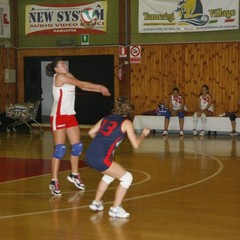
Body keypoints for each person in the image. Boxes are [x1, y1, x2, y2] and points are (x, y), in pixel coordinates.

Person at [46, 57, 111, 196]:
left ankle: (74, 175)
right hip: (59, 115)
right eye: (62, 64)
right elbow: (81, 84)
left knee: (77, 147)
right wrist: (99, 87)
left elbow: (83, 85)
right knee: (60, 149)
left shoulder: (68, 75)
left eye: (65, 63)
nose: (64, 65)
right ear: (56, 69)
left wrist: (99, 90)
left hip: (70, 115)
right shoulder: (59, 77)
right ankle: (54, 180)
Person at [86, 96, 150, 218]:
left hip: (89, 155)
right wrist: (143, 135)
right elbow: (136, 145)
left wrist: (103, 143)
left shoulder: (105, 119)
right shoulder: (126, 123)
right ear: (129, 110)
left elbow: (91, 132)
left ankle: (96, 203)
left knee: (109, 175)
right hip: (101, 158)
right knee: (127, 178)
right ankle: (115, 208)